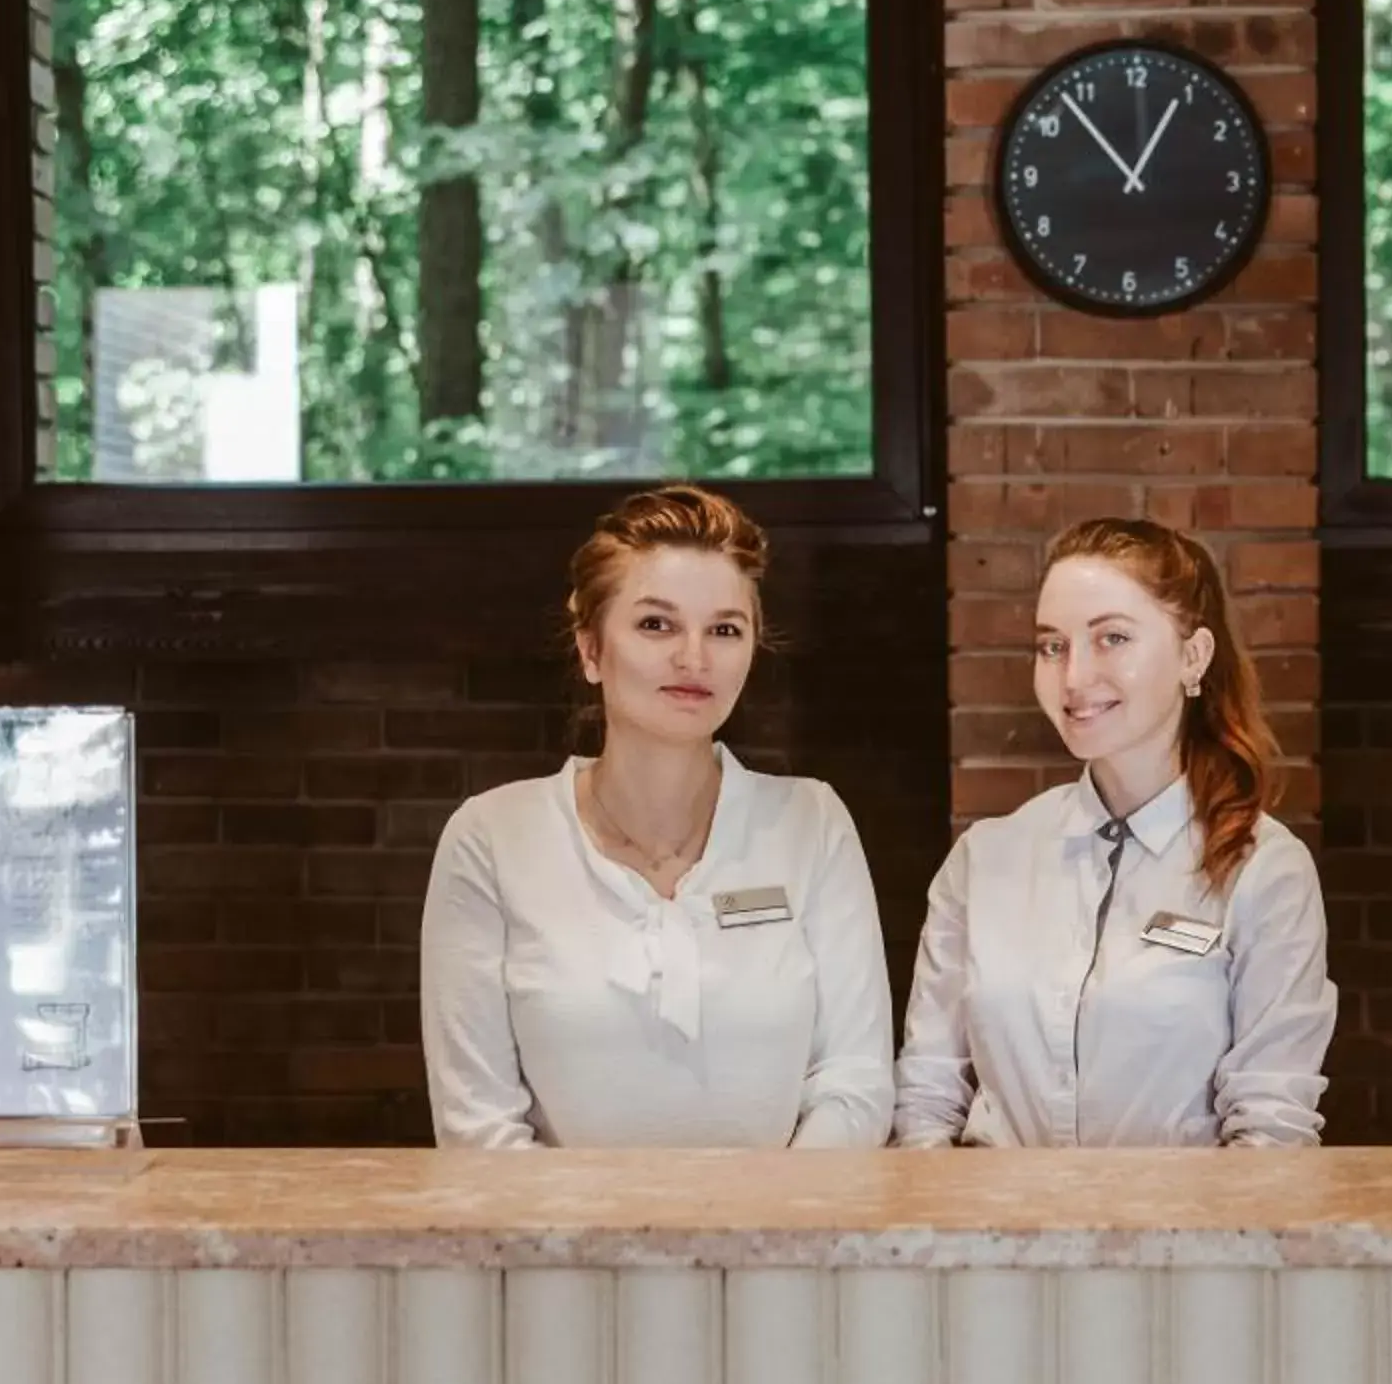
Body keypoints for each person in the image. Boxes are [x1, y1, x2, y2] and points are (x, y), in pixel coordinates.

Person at [421, 484, 892, 1147]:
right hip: (553, 1249)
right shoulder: (491, 839)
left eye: (724, 629)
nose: (694, 658)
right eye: (656, 624)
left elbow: (856, 1083)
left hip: (784, 1242)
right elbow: (478, 1128)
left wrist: (768, 1232)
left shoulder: (812, 823)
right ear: (590, 650)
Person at [894, 517, 1336, 1147]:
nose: (1073, 678)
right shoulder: (984, 860)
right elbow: (927, 1100)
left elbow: (1272, 1128)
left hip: (1185, 1240)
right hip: (993, 1237)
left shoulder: (1265, 869)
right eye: (1053, 646)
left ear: (1194, 656)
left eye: (1112, 639)